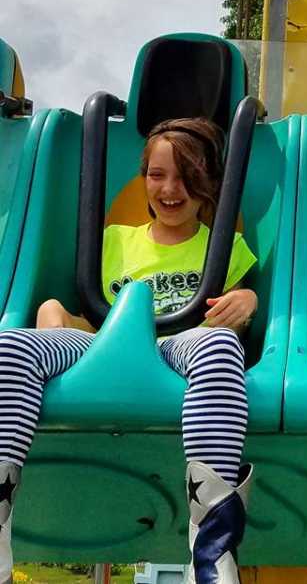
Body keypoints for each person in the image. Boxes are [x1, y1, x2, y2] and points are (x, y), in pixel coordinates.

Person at [0, 117, 258, 584]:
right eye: (157, 175)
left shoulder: (225, 246)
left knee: (220, 344)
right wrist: (55, 318)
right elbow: (84, 315)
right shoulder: (114, 240)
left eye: (185, 176)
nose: (170, 189)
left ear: (209, 182)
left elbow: (236, 309)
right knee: (10, 347)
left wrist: (248, 300)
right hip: (104, 346)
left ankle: (213, 548)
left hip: (178, 346)